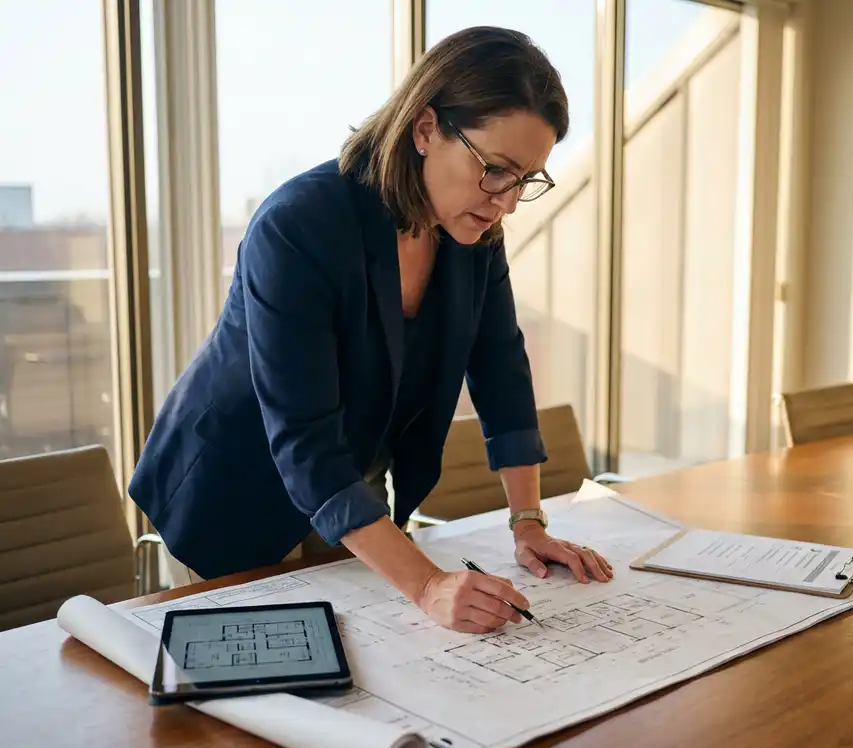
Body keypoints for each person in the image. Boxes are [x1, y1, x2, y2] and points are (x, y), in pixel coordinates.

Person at [128, 26, 614, 634]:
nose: (507, 203)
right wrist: (429, 584)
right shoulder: (298, 226)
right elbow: (304, 441)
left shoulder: (471, 234)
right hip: (237, 487)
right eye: (496, 170)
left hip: (351, 491)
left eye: (527, 180)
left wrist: (527, 522)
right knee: (268, 698)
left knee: (369, 663)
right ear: (426, 129)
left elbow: (501, 369)